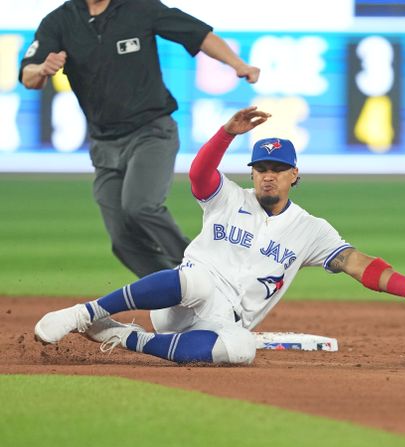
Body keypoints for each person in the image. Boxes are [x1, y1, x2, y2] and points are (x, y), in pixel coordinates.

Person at [33, 107, 405, 364]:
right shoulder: (227, 197)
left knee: (241, 350)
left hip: (222, 320)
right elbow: (198, 175)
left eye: (278, 168)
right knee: (199, 280)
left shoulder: (311, 230)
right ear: (253, 172)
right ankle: (85, 313)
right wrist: (226, 133)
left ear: (295, 175)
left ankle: (124, 338)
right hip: (182, 297)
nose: (268, 175)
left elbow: (358, 264)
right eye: (261, 168)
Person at [19, 0, 260, 277]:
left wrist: (238, 64)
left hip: (152, 131)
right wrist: (41, 70)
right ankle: (179, 294)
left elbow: (198, 34)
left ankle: (207, 271)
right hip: (104, 143)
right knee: (122, 241)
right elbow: (29, 75)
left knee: (140, 207)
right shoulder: (60, 20)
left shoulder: (139, 8)